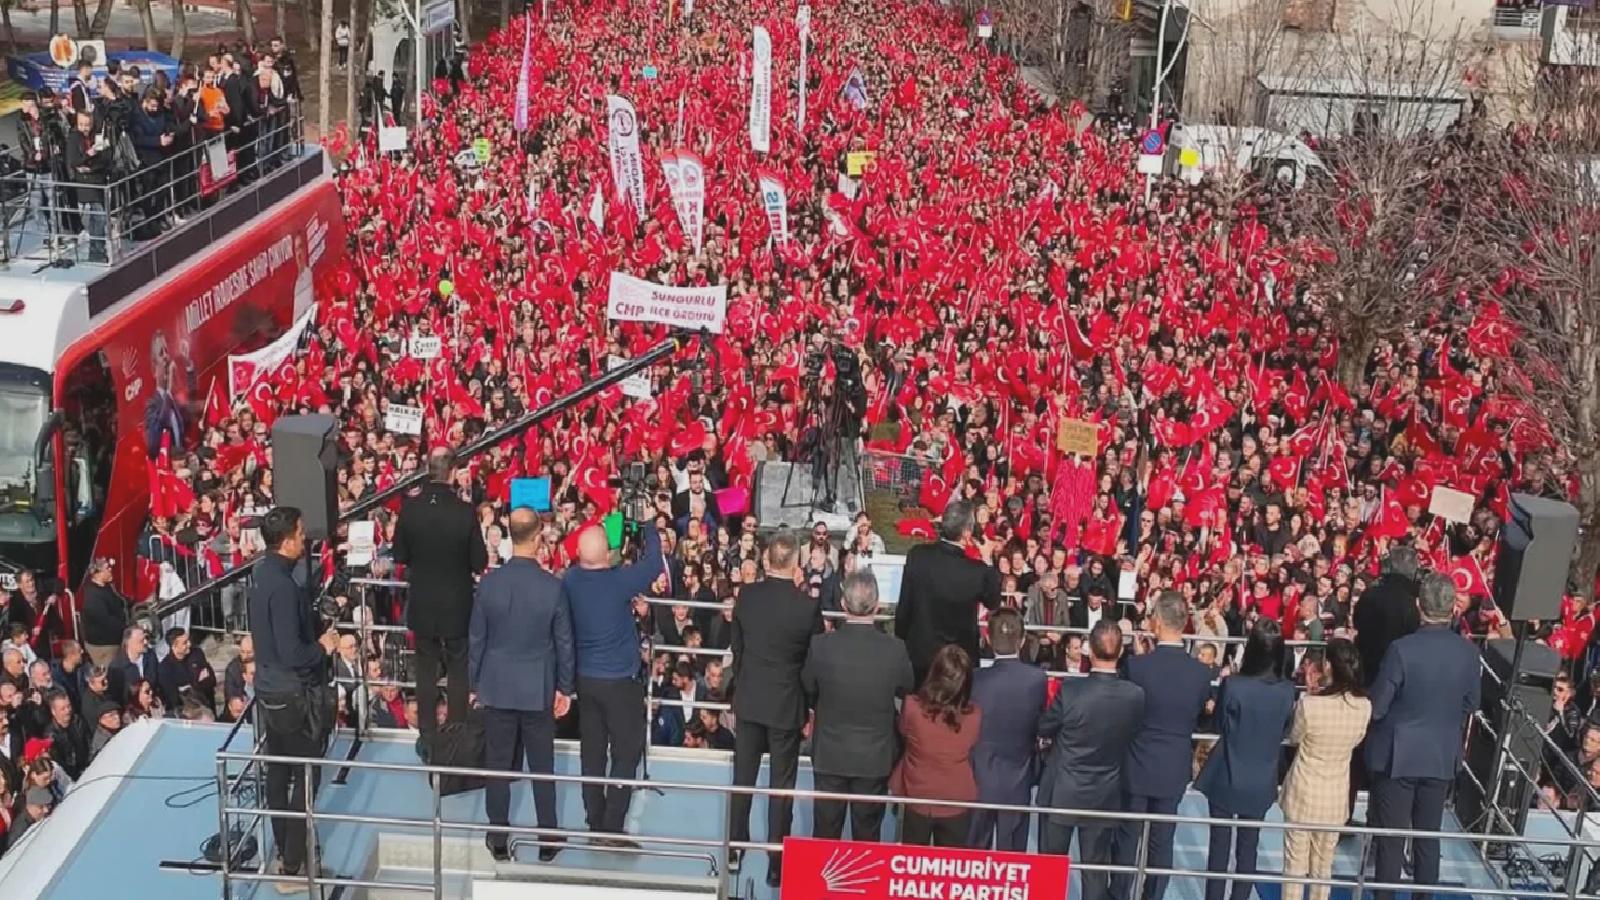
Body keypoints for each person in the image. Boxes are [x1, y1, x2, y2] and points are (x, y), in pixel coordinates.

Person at [1366, 571, 1480, 900]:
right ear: (1452, 610)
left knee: (1391, 839)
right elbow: (1472, 703)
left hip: (1398, 757)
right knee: (1428, 838)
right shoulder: (1468, 653)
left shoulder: (1401, 650)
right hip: (1441, 755)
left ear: (1419, 606)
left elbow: (1378, 705)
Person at [470, 507, 575, 863]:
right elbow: (565, 643)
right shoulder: (552, 587)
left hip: (497, 686)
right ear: (538, 536)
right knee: (543, 766)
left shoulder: (489, 584)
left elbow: (476, 640)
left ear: (511, 535)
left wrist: (474, 683)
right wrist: (565, 688)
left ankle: (498, 837)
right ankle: (548, 837)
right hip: (538, 689)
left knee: (497, 765)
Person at [248, 506, 339, 885]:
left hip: (271, 689)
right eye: (300, 534)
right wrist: (324, 646)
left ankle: (286, 851)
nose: (305, 539)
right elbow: (293, 651)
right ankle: (292, 860)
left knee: (278, 770)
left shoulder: (261, 573)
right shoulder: (284, 587)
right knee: (303, 775)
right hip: (292, 693)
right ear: (286, 541)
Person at [728, 529, 822, 885]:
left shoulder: (747, 597)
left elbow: (737, 650)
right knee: (781, 785)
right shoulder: (807, 606)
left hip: (751, 698)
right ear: (796, 562)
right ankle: (776, 862)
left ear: (767, 560)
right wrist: (808, 706)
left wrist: (744, 684)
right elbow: (810, 663)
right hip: (786, 704)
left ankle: (735, 848)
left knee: (743, 778)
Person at [562, 520, 663, 844]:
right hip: (620, 682)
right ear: (608, 554)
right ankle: (610, 827)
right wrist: (647, 526)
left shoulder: (571, 580)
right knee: (626, 753)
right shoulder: (620, 580)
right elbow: (654, 561)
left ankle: (595, 821)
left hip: (586, 680)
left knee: (592, 752)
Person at [1115, 591, 1213, 900]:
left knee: (1128, 839)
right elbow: (1199, 715)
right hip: (1172, 766)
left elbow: (1125, 711)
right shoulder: (1200, 673)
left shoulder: (1137, 666)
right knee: (1162, 842)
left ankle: (1118, 895)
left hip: (1137, 763)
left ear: (1156, 622)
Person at [802, 570, 913, 843]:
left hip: (831, 755)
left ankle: (821, 887)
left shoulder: (821, 646)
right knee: (867, 837)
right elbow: (907, 687)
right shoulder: (894, 649)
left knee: (825, 836)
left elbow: (808, 686)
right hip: (873, 759)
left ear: (843, 604)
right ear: (876, 606)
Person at [1037, 620, 1145, 900]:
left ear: (1089, 651)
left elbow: (1044, 727)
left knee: (1050, 869)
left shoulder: (1072, 690)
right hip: (1104, 794)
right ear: (1121, 651)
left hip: (1063, 791)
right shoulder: (1134, 695)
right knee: (1095, 871)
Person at [392, 449, 488, 761]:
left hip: (422, 601)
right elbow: (480, 561)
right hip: (457, 602)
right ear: (451, 474)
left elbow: (400, 556)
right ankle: (456, 734)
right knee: (459, 668)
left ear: (428, 472)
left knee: (425, 669)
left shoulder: (411, 509)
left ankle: (429, 736)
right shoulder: (464, 511)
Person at [1195, 619, 1297, 900]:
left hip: (1227, 771)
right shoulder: (1288, 690)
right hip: (1261, 777)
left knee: (1219, 847)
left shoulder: (1233, 685)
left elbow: (1219, 725)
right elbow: (1285, 728)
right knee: (1248, 848)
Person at [1281, 639, 1370, 900]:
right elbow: (1358, 740)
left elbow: (1295, 738)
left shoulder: (1311, 705)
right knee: (1323, 867)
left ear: (1328, 666)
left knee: (1294, 867)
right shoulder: (1364, 706)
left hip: (1303, 795)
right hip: (1335, 797)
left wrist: (1311, 694)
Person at [894, 501, 1002, 687]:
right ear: (967, 533)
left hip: (921, 654)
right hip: (959, 660)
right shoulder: (976, 571)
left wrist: (903, 637)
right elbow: (993, 601)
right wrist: (987, 559)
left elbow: (905, 606)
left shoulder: (918, 556)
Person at [967, 607, 1047, 851]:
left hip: (979, 776)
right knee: (1012, 856)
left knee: (974, 856)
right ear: (1022, 641)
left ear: (988, 639)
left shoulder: (975, 678)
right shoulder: (1037, 679)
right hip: (1017, 778)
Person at [892, 644, 981, 848]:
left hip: (917, 794)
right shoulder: (974, 716)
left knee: (912, 867)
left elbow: (904, 731)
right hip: (955, 800)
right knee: (951, 869)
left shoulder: (912, 707)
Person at [79, 558, 127, 669]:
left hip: (114, 641)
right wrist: (126, 628)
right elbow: (105, 620)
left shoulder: (107, 587)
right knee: (109, 674)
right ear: (97, 573)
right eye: (107, 568)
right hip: (104, 646)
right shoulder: (93, 596)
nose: (110, 570)